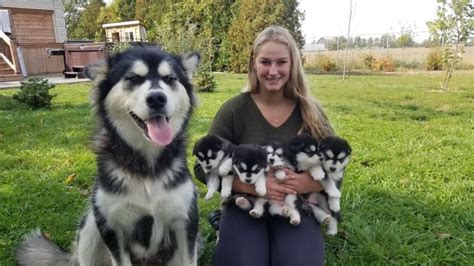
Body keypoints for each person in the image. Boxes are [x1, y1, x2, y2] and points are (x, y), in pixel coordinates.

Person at [194, 25, 334, 266]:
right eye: (265, 62)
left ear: (293, 64)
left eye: (281, 62)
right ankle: (225, 230)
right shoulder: (234, 110)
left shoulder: (310, 112)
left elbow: (335, 165)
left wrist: (307, 183)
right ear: (253, 62)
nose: (273, 71)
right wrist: (249, 186)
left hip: (296, 206)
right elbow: (201, 168)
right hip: (244, 204)